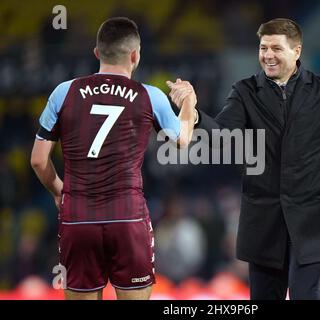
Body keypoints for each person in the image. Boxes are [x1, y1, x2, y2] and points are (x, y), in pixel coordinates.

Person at [167, 18, 320, 300]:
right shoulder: (245, 91)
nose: (268, 55)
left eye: (276, 48)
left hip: (310, 222)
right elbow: (222, 134)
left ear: (297, 51)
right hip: (263, 224)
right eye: (263, 48)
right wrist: (195, 113)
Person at [30, 17, 197, 300]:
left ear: (97, 53)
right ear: (135, 55)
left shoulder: (64, 92)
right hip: (128, 218)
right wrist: (188, 101)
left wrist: (59, 191)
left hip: (78, 219)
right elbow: (183, 141)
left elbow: (37, 160)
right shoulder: (150, 96)